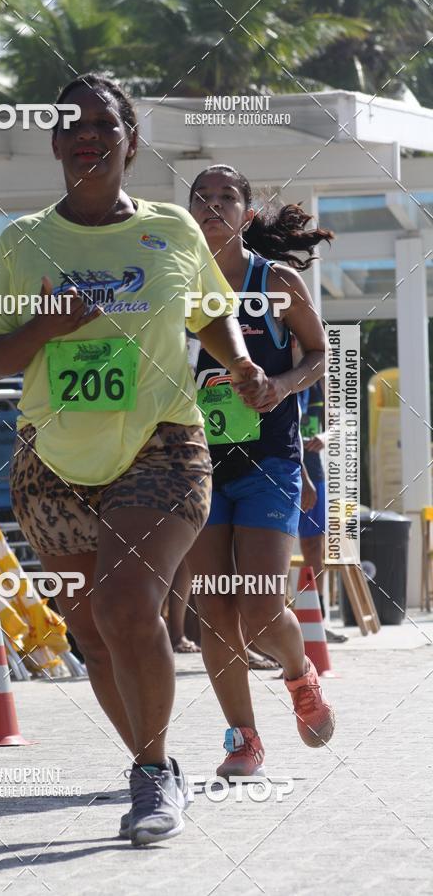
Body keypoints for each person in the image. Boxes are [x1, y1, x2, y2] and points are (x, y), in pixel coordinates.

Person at [0, 77, 268, 846]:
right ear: (54, 144)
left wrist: (238, 364)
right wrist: (47, 324)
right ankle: (153, 767)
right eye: (72, 123)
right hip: (53, 460)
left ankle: (152, 773)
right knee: (94, 632)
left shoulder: (172, 229)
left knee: (127, 605)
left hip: (161, 444)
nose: (88, 133)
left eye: (105, 123)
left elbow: (211, 315)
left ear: (131, 142)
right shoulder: (23, 240)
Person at [185, 164, 335, 779]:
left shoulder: (275, 280)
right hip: (194, 465)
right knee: (214, 611)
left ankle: (301, 677)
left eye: (228, 197)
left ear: (246, 213)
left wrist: (281, 384)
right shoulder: (172, 283)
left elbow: (321, 354)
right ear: (188, 211)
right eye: (203, 196)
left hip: (268, 459)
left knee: (258, 604)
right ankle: (243, 741)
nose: (214, 205)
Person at [298, 381, 348, 643]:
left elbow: (340, 424)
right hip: (281, 468)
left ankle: (317, 623)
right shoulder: (281, 371)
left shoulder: (320, 385)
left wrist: (324, 437)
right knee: (272, 546)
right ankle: (270, 625)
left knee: (314, 547)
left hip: (314, 472)